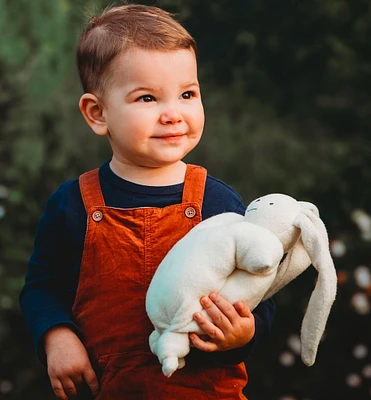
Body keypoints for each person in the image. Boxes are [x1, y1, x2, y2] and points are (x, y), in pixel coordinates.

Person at [19, 4, 275, 399]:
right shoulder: (72, 205)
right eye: (147, 99)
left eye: (187, 94)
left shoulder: (216, 200)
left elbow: (258, 283)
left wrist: (244, 332)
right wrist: (57, 336)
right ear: (97, 113)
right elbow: (42, 288)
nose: (174, 114)